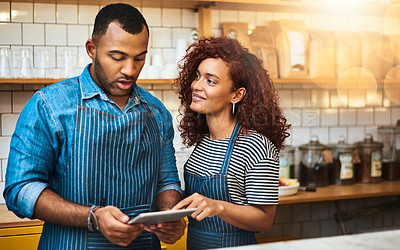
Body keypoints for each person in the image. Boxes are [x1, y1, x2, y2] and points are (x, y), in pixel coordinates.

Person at [3, 3, 185, 249]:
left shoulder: (156, 112)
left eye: (139, 58)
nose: (129, 70)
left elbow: (166, 183)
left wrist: (170, 215)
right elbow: (20, 189)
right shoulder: (50, 106)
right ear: (92, 49)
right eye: (117, 57)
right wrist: (93, 217)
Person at [172, 36, 290, 249]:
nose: (197, 86)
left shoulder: (255, 146)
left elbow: (264, 220)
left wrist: (218, 207)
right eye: (197, 76)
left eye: (211, 81)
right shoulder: (204, 141)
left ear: (237, 95)